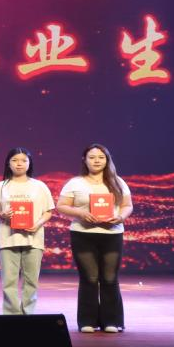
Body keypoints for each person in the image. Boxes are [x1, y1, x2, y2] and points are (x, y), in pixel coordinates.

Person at [56, 143, 133, 334]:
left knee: (109, 278)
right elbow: (61, 206)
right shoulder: (75, 183)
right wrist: (80, 213)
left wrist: (121, 217)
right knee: (89, 278)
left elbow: (127, 205)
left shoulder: (118, 182)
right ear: (85, 160)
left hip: (112, 234)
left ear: (107, 160)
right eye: (92, 157)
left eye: (101, 157)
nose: (96, 161)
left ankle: (112, 321)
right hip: (83, 234)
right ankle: (87, 320)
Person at [0, 148, 54, 315]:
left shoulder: (40, 186)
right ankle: (11, 315)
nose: (19, 164)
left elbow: (48, 211)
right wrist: (1, 215)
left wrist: (37, 224)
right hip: (8, 238)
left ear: (29, 163)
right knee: (9, 281)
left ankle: (28, 314)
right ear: (8, 163)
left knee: (31, 280)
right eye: (15, 160)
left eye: (24, 160)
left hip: (34, 238)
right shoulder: (0, 187)